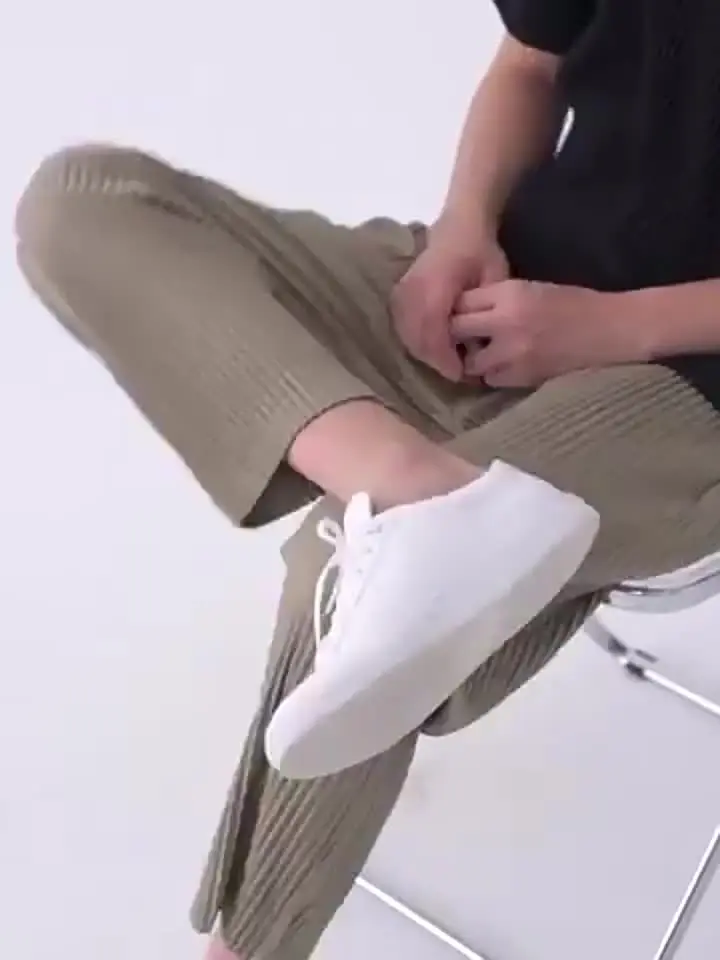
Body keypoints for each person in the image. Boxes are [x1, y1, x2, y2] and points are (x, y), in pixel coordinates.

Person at [14, 0, 720, 955]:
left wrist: (615, 327)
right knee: (82, 199)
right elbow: (527, 65)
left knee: (345, 582)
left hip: (692, 390)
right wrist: (463, 227)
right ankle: (409, 485)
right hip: (509, 299)